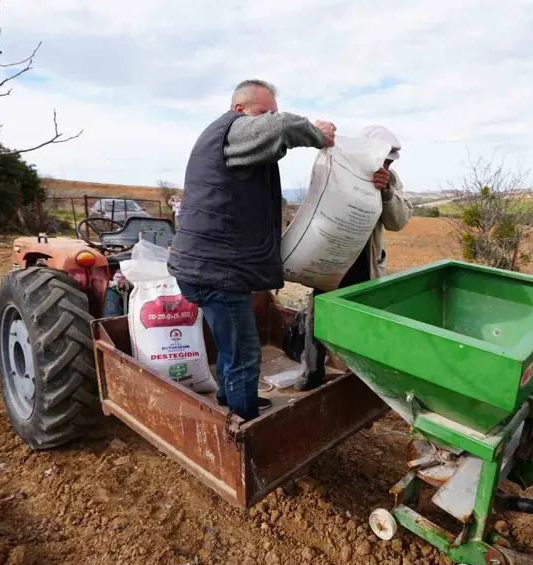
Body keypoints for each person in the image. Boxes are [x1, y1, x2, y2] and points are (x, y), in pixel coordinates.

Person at [167, 79, 337, 420]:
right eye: (263, 113)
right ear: (239, 109)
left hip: (206, 268)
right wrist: (319, 134)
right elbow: (284, 125)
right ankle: (245, 426)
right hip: (219, 273)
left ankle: (231, 398)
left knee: (230, 346)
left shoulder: (226, 141)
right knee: (245, 353)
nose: (267, 120)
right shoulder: (234, 129)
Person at [295, 125, 412, 391]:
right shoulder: (341, 168)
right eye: (381, 158)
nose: (384, 164)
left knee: (361, 324)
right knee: (318, 315)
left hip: (366, 266)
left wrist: (387, 193)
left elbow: (399, 222)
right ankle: (311, 373)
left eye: (388, 161)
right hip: (332, 260)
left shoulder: (390, 180)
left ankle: (358, 381)